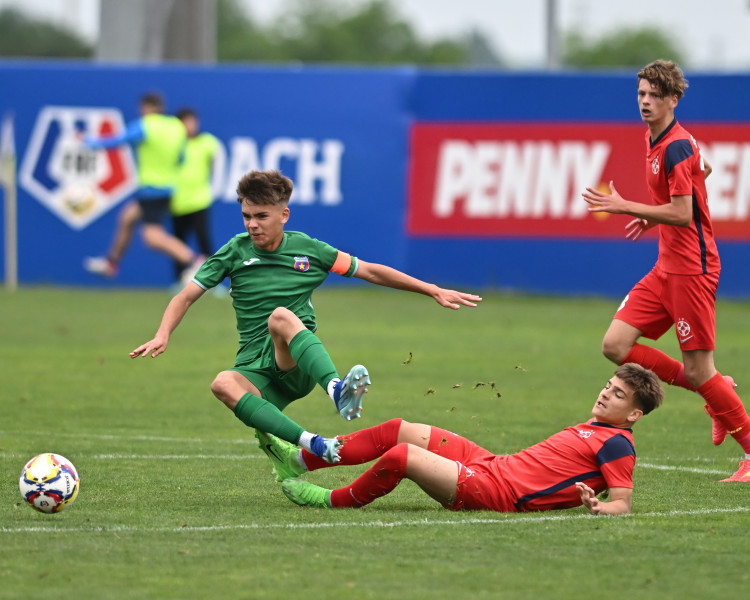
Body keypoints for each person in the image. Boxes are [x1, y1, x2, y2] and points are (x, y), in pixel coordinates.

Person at [129, 169, 482, 464]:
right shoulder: (233, 251)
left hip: (295, 360)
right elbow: (187, 294)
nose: (252, 224)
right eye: (247, 216)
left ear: (284, 215)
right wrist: (163, 334)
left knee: (281, 316)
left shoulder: (309, 250)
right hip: (256, 365)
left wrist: (431, 288)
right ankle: (316, 445)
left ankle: (336, 389)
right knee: (222, 383)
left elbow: (371, 272)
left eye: (261, 216)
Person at [581, 59, 750, 482]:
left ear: (674, 99)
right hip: (666, 267)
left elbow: (684, 211)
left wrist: (627, 206)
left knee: (697, 369)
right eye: (641, 94)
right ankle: (715, 390)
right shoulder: (659, 139)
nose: (646, 102)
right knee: (615, 344)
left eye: (655, 95)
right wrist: (654, 218)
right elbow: (700, 173)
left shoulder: (675, 144)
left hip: (692, 269)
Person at [259, 363, 663, 515]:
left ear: (634, 415)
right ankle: (299, 461)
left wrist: (598, 506)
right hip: (494, 464)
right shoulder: (597, 425)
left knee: (403, 455)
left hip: (499, 493)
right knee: (398, 428)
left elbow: (623, 502)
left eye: (618, 394)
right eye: (609, 385)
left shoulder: (617, 444)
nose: (606, 393)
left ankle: (330, 499)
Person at [83, 92, 204, 281]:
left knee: (152, 237)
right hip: (167, 188)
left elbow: (118, 140)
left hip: (151, 189)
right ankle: (111, 262)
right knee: (127, 218)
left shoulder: (146, 125)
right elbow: (182, 159)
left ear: (146, 107)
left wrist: (89, 141)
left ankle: (195, 261)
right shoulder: (176, 127)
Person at [169, 107, 221, 282]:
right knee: (178, 243)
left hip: (199, 200)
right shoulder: (173, 144)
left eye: (193, 121)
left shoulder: (207, 142)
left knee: (204, 241)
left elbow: (217, 165)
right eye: (186, 122)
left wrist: (213, 189)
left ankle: (213, 282)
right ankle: (179, 280)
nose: (190, 125)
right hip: (177, 202)